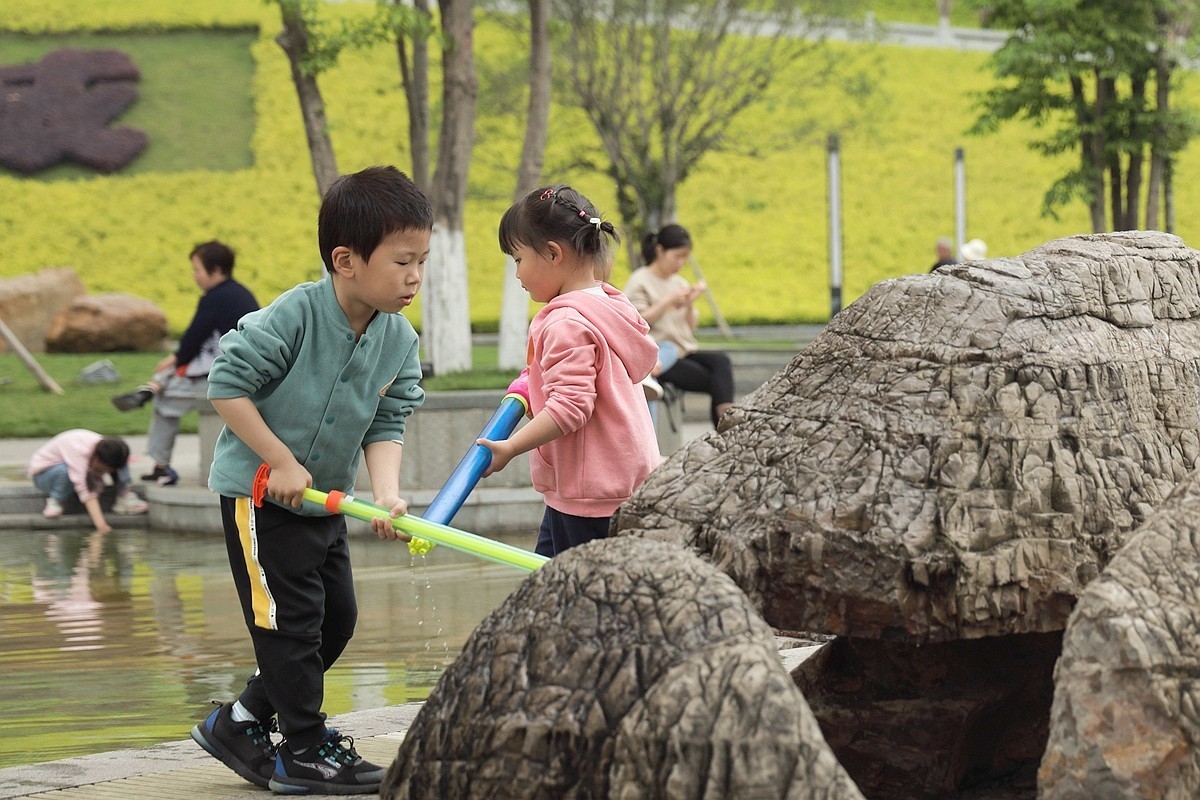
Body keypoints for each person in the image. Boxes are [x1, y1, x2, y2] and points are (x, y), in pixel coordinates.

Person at [189, 165, 431, 795]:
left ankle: (239, 722)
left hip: (325, 504)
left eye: (423, 262)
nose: (415, 278)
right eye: (403, 262)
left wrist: (385, 493)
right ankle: (303, 749)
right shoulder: (294, 315)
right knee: (289, 624)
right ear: (345, 259)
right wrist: (281, 461)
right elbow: (226, 385)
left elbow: (388, 416)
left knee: (336, 622)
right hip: (260, 496)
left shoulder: (398, 337)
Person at [476, 184, 660, 558]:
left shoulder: (565, 323)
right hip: (617, 480)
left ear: (553, 254)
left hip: (590, 495)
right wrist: (533, 379)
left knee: (579, 604)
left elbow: (570, 407)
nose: (517, 274)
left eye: (517, 260)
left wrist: (509, 448)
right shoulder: (609, 304)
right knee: (548, 586)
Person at [111, 240, 259, 487]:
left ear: (217, 270)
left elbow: (193, 338)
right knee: (170, 379)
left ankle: (161, 462)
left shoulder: (215, 298)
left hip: (226, 380)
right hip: (243, 372)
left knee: (165, 398)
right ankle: (153, 387)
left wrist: (176, 359)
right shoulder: (241, 293)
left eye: (197, 270)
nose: (195, 277)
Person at [624, 224, 735, 427]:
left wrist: (690, 302)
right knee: (715, 381)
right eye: (677, 256)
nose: (681, 262)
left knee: (721, 361)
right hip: (660, 355)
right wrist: (668, 300)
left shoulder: (679, 282)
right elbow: (637, 322)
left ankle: (725, 418)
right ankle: (725, 424)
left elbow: (690, 328)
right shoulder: (640, 280)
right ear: (660, 251)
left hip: (684, 350)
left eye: (685, 257)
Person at [27, 430, 148, 532]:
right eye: (104, 468)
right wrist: (102, 526)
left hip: (75, 473)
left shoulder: (107, 449)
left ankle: (124, 497)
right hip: (44, 476)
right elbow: (84, 489)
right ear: (97, 458)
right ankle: (56, 500)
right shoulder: (77, 450)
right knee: (64, 471)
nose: (106, 472)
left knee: (122, 458)